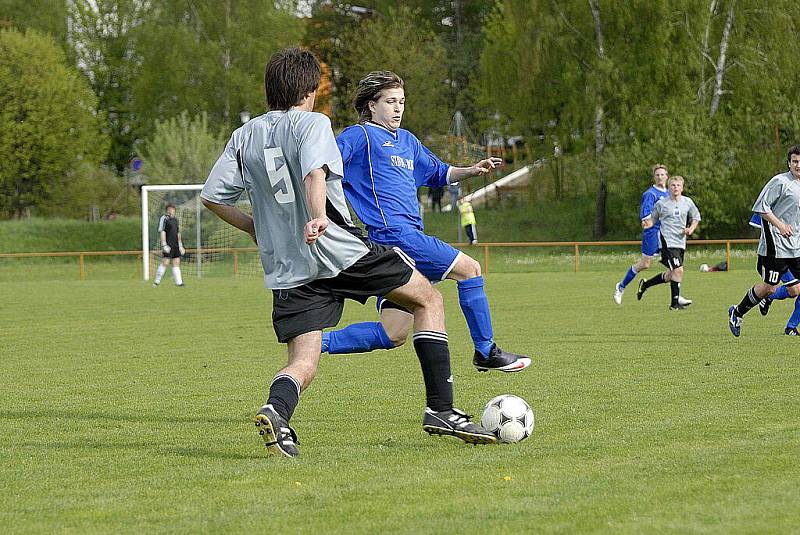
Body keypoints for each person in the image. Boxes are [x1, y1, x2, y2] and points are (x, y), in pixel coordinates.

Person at [200, 49, 495, 457]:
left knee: (304, 361)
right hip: (339, 250)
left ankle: (276, 410)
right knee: (428, 298)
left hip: (288, 267)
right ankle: (441, 410)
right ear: (309, 89)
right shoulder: (313, 123)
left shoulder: (243, 135)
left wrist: (256, 228)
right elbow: (314, 172)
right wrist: (319, 216)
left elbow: (212, 197)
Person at [321, 70, 530, 373]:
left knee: (393, 333)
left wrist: (472, 170)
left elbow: (439, 173)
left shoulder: (407, 141)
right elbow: (323, 167)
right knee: (470, 269)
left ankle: (315, 342)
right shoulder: (360, 135)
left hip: (406, 239)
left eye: (402, 102)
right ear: (371, 105)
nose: (398, 108)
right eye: (390, 101)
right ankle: (486, 351)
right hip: (395, 236)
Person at [728, 146, 800, 337]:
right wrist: (780, 225)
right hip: (775, 247)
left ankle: (784, 318)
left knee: (795, 290)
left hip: (796, 247)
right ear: (789, 163)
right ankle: (737, 312)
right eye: (795, 161)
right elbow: (761, 207)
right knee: (769, 287)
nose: (798, 165)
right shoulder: (780, 181)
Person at [635, 175, 701, 310]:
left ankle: (646, 285)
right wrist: (648, 224)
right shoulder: (662, 203)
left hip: (680, 242)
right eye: (673, 185)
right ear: (669, 188)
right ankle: (674, 304)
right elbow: (653, 219)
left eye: (678, 185)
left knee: (672, 274)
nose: (675, 187)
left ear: (682, 188)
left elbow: (696, 217)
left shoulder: (687, 202)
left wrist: (691, 229)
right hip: (666, 241)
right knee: (678, 270)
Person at [614, 164, 674, 304]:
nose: (660, 177)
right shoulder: (650, 194)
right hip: (653, 233)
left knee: (675, 268)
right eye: (657, 175)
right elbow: (646, 217)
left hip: (667, 234)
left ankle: (676, 296)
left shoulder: (669, 194)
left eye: (662, 174)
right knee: (645, 264)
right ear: (654, 177)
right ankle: (621, 287)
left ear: (667, 176)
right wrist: (649, 222)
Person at [748, 213, 800, 335]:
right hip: (781, 254)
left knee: (795, 291)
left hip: (795, 252)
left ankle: (791, 327)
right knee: (795, 290)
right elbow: (763, 220)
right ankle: (767, 296)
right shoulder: (778, 197)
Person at [152, 203, 185, 287]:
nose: (171, 210)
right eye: (169, 209)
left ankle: (179, 282)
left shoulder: (175, 220)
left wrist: (180, 245)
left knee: (176, 262)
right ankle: (156, 281)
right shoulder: (164, 218)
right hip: (168, 244)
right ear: (167, 210)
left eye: (172, 209)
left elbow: (178, 233)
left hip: (176, 245)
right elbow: (162, 231)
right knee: (165, 262)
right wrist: (164, 244)